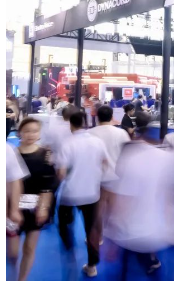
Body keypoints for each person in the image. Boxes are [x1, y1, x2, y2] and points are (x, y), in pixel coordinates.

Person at [106, 112, 174, 280]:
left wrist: (113, 235)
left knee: (125, 272)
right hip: (157, 232)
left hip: (131, 232)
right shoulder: (169, 159)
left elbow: (123, 202)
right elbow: (171, 200)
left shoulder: (131, 157)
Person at [56, 111, 107, 278]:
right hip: (91, 193)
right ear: (85, 123)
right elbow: (104, 163)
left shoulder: (67, 143)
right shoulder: (97, 141)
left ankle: (69, 251)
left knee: (64, 225)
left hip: (69, 194)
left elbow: (61, 173)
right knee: (91, 230)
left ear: (71, 124)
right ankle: (92, 266)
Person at [8, 118, 57, 281]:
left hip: (35, 208)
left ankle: (21, 281)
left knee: (29, 248)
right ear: (19, 132)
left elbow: (48, 186)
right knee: (12, 252)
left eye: (35, 131)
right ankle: (12, 272)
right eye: (27, 131)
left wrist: (43, 208)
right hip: (12, 207)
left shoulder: (46, 155)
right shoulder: (11, 154)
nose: (31, 134)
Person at [88, 105, 131, 239]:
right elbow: (127, 153)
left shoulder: (90, 133)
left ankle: (99, 235)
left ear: (97, 117)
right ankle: (112, 233)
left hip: (96, 175)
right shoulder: (121, 133)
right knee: (114, 205)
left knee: (98, 206)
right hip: (116, 174)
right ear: (112, 116)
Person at [6, 142, 30, 280]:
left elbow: (15, 179)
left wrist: (15, 209)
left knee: (13, 253)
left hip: (6, 208)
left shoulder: (7, 149)